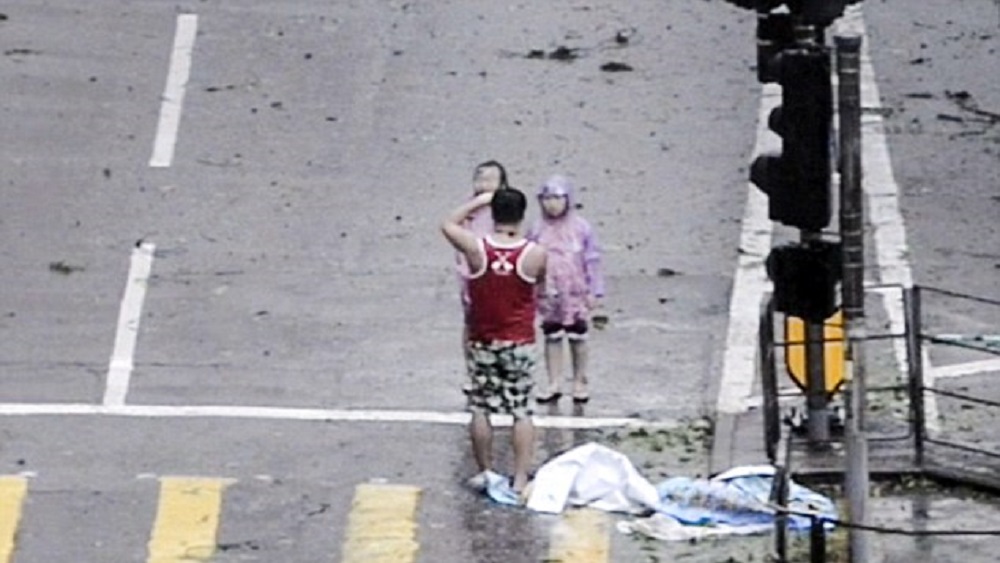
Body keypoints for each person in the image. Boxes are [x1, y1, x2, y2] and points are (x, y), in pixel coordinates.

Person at [441, 187, 546, 494]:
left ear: (494, 214)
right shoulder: (535, 254)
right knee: (522, 410)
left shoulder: (476, 248)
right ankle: (520, 477)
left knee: (481, 407)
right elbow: (540, 284)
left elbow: (447, 224)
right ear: (522, 215)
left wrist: (477, 202)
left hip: (482, 339)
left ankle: (485, 470)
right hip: (520, 341)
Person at [529, 174, 605, 404]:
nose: (552, 203)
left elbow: (592, 259)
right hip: (548, 293)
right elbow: (529, 258)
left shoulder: (581, 228)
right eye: (547, 198)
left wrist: (595, 290)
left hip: (576, 293)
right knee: (552, 335)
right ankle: (554, 381)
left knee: (578, 337)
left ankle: (580, 380)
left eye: (557, 198)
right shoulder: (537, 229)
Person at [455, 161, 509, 394]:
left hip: (499, 274)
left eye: (490, 180)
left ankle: (500, 372)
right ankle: (474, 372)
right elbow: (451, 225)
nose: (484, 184)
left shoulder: (505, 207)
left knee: (501, 326)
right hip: (470, 276)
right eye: (480, 179)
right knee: (472, 325)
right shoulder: (468, 208)